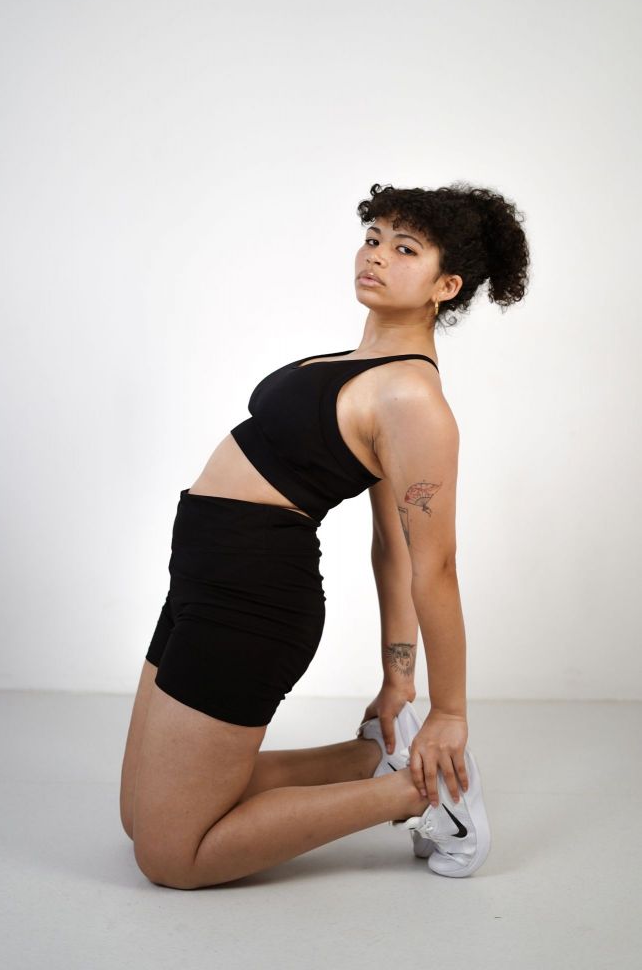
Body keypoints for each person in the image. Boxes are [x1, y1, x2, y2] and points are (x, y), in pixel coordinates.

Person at [119, 180, 531, 888]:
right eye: (373, 238)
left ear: (446, 286)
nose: (376, 255)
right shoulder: (354, 365)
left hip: (251, 603)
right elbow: (389, 543)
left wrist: (448, 712)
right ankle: (371, 758)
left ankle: (425, 795)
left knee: (168, 856)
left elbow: (432, 565)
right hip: (201, 580)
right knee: (139, 812)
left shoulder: (412, 398)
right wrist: (396, 680)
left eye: (406, 249)